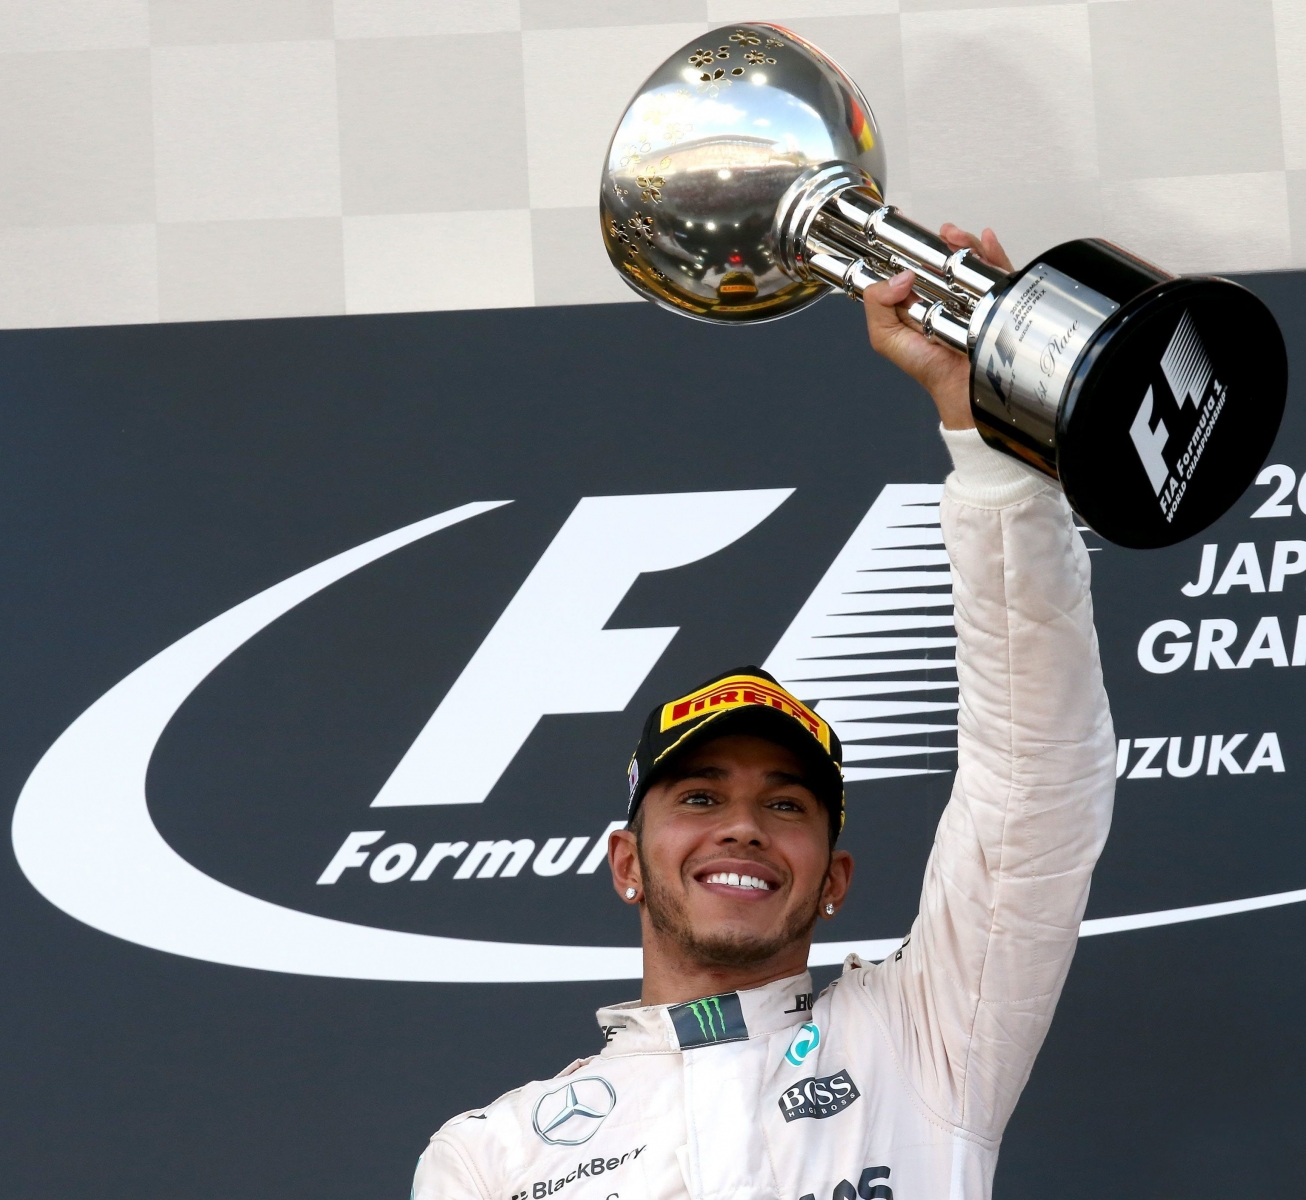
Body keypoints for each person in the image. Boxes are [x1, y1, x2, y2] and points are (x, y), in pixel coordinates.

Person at [410, 227, 1117, 1200]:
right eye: (699, 798)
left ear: (833, 880)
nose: (742, 824)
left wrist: (984, 439)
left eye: (787, 805)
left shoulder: (924, 1038)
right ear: (626, 861)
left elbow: (1035, 781)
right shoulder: (495, 1155)